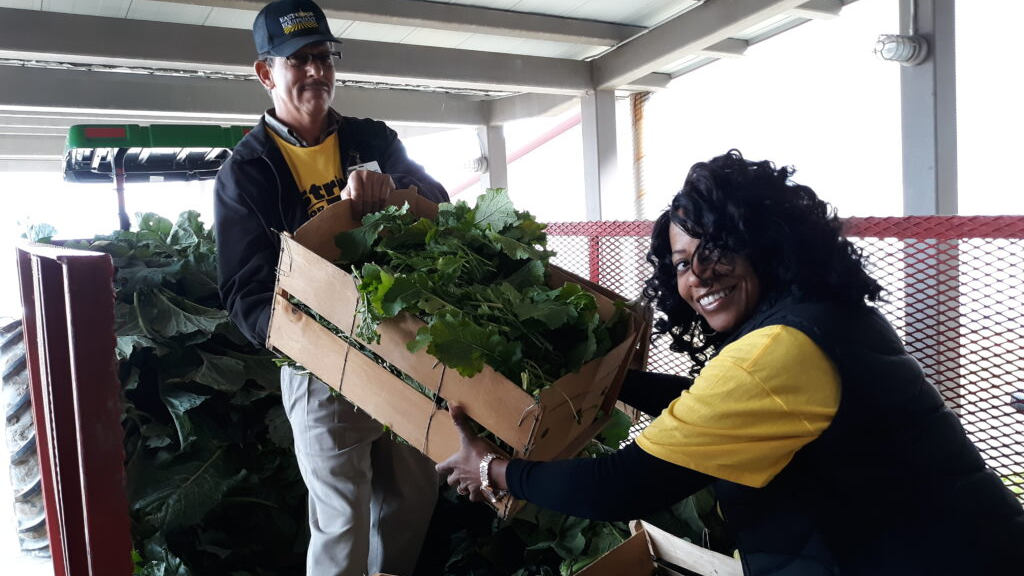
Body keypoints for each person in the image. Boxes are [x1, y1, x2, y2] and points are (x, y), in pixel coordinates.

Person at [438, 150, 1024, 575]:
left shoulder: (777, 353)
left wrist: (492, 469)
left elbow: (618, 486)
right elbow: (716, 410)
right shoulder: (823, 318)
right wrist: (610, 380)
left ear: (765, 240)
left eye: (714, 249)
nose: (698, 278)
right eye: (682, 263)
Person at [214, 1, 448, 575]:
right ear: (266, 73)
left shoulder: (373, 139)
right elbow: (245, 292)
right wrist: (310, 336)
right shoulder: (246, 173)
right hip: (320, 367)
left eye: (323, 57)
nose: (316, 71)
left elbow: (440, 207)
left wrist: (393, 187)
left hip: (402, 350)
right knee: (342, 520)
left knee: (412, 502)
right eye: (299, 60)